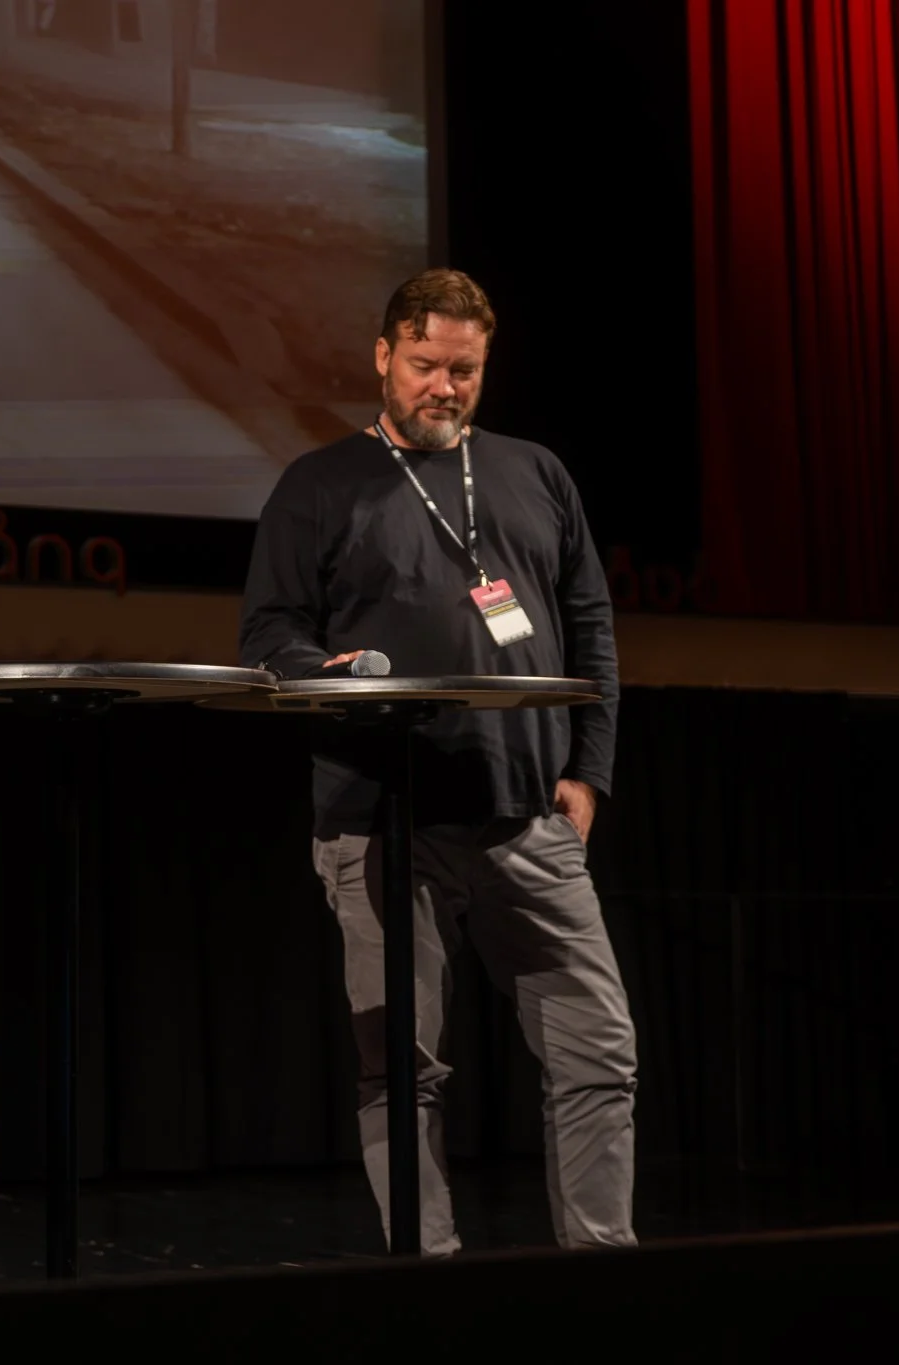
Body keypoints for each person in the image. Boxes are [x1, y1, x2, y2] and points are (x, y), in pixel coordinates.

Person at [240, 268, 635, 1254]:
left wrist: (587, 773)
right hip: (379, 823)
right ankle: (429, 1284)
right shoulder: (319, 484)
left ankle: (603, 1268)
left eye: (463, 371)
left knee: (597, 1052)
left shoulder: (534, 472)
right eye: (424, 366)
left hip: (524, 820)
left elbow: (589, 628)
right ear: (381, 357)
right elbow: (268, 633)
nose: (442, 389)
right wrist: (312, 669)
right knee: (400, 1070)